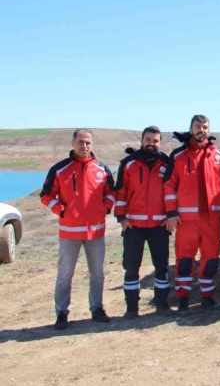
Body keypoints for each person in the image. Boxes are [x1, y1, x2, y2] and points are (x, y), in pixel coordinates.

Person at [40, 129, 115, 330]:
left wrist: (106, 207)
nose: (85, 146)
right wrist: (61, 210)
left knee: (97, 273)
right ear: (73, 142)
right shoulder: (59, 169)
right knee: (65, 274)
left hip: (96, 231)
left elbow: (111, 192)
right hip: (69, 232)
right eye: (81, 142)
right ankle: (62, 313)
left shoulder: (102, 168)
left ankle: (97, 308)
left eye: (88, 142)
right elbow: (46, 195)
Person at [164, 115, 220, 312]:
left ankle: (207, 296)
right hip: (187, 220)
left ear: (208, 130)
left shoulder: (217, 155)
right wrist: (171, 213)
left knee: (210, 258)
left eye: (204, 127)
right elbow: (169, 186)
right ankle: (183, 297)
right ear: (191, 128)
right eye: (197, 126)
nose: (201, 130)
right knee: (185, 259)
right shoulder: (178, 155)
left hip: (212, 219)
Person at [114, 126, 173, 319]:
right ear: (142, 140)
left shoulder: (166, 163)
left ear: (160, 143)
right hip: (134, 226)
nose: (151, 143)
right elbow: (121, 192)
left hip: (159, 226)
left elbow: (172, 191)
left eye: (155, 141)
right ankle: (132, 308)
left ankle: (162, 304)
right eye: (148, 139)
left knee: (162, 267)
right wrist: (121, 218)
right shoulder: (128, 163)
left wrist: (171, 214)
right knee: (131, 268)